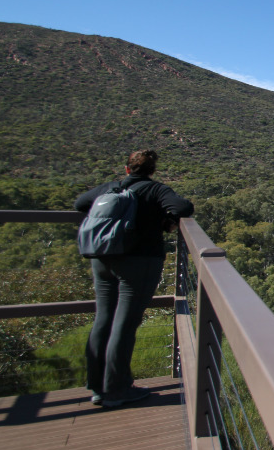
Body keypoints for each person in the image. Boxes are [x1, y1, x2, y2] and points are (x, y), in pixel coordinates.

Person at [75, 150, 193, 408]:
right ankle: (116, 389)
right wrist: (164, 221)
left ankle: (97, 387)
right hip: (139, 262)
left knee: (103, 319)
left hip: (102, 258)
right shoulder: (155, 190)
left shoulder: (111, 187)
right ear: (152, 171)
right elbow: (183, 207)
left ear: (127, 169)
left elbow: (80, 203)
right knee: (125, 323)